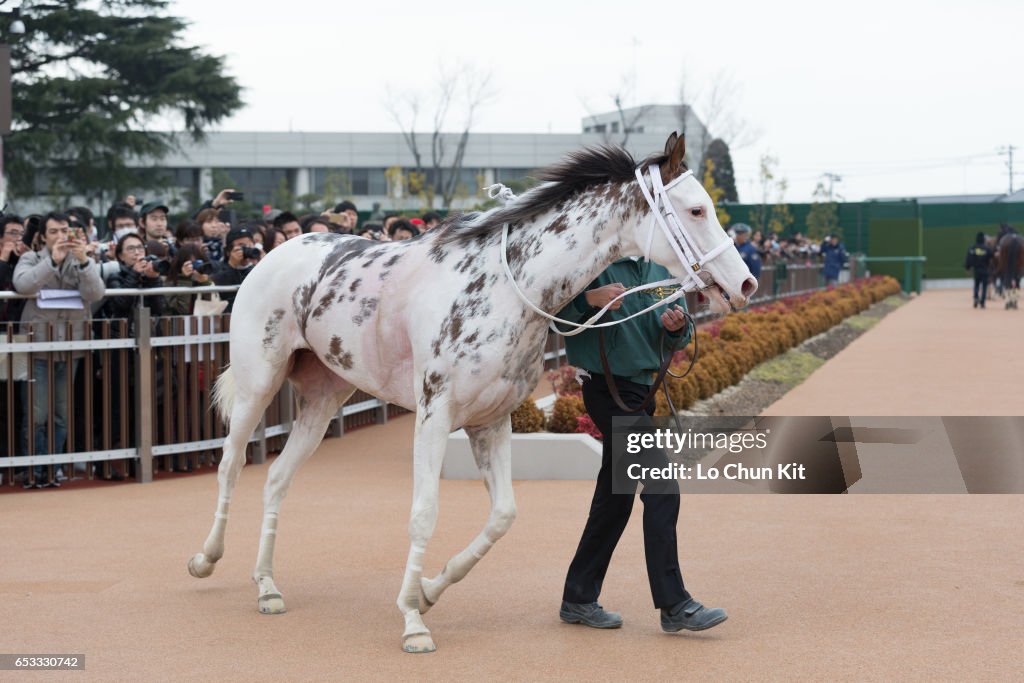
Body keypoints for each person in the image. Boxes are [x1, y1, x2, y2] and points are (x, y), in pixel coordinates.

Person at [556, 257, 728, 633]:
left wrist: (677, 326)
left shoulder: (661, 271)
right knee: (662, 487)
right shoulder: (595, 263)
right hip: (606, 389)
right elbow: (555, 319)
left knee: (615, 499)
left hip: (641, 391)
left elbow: (678, 334)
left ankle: (578, 597)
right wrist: (589, 299)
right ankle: (674, 603)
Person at [13, 212, 106, 487]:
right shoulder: (31, 258)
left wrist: (85, 261)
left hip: (71, 347)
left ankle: (54, 468)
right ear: (43, 236)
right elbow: (23, 284)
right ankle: (34, 469)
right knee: (36, 412)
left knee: (61, 413)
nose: (61, 236)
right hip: (34, 348)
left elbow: (96, 293)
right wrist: (51, 261)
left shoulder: (81, 262)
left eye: (65, 230)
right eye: (53, 231)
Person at [212, 228, 261, 312]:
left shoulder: (258, 267)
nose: (247, 249)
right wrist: (232, 266)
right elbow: (218, 287)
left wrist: (262, 264)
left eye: (249, 245)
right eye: (242, 246)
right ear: (228, 251)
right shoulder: (218, 268)